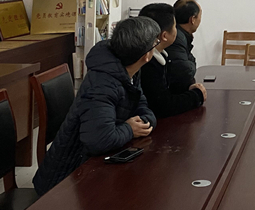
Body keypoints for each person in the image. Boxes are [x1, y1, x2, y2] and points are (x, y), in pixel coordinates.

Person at [33, 17, 160, 196]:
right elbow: (99, 140)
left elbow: (143, 106)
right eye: (155, 44)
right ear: (146, 56)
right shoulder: (102, 84)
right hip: (67, 180)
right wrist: (130, 129)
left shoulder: (128, 69)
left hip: (94, 165)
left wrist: (144, 122)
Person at [138, 3, 207, 118]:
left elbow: (164, 92)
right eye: (175, 27)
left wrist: (187, 89)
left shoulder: (158, 55)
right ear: (164, 36)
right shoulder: (147, 63)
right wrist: (196, 95)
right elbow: (163, 106)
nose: (177, 31)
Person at [167, 0, 202, 93]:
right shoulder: (177, 37)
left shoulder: (181, 34)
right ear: (192, 19)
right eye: (200, 16)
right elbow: (186, 72)